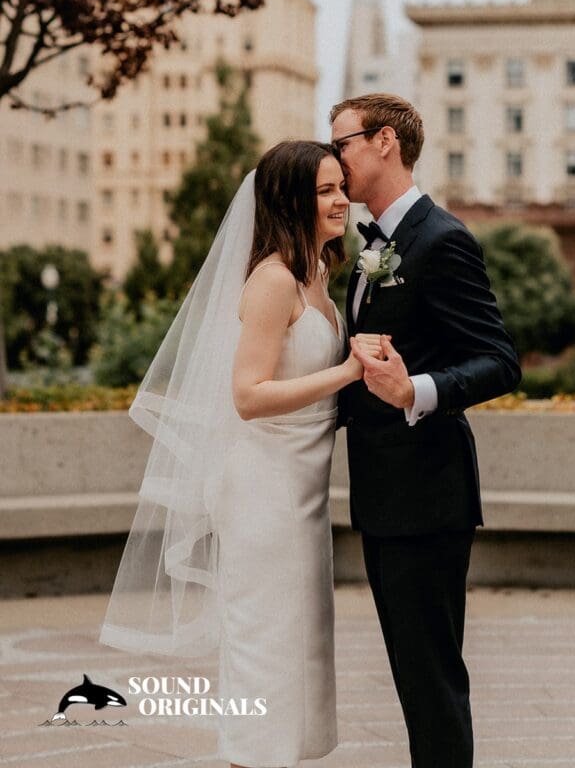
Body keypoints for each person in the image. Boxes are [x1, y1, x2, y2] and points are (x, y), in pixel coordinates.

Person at [99, 139, 382, 768]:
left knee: (300, 643)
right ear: (290, 201)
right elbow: (248, 396)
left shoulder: (318, 275)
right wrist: (349, 375)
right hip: (263, 487)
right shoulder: (273, 280)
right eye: (326, 191)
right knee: (264, 645)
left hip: (302, 486)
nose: (341, 201)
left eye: (341, 187)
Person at [330, 93, 522, 768]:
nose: (335, 159)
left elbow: (500, 361)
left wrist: (418, 391)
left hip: (427, 494)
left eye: (342, 144)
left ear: (384, 141)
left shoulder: (441, 240)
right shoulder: (371, 248)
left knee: (433, 680)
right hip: (383, 497)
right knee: (414, 682)